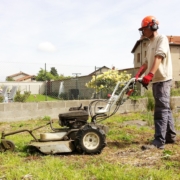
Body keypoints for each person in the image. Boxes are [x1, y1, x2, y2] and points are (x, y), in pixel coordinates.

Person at [135, 15, 176, 150]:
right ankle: (170, 136)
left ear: (152, 27)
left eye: (144, 29)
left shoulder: (161, 39)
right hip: (156, 80)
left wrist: (151, 74)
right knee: (164, 108)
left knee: (160, 110)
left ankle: (159, 141)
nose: (143, 32)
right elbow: (147, 62)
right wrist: (139, 74)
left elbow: (159, 57)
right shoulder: (150, 43)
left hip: (162, 79)